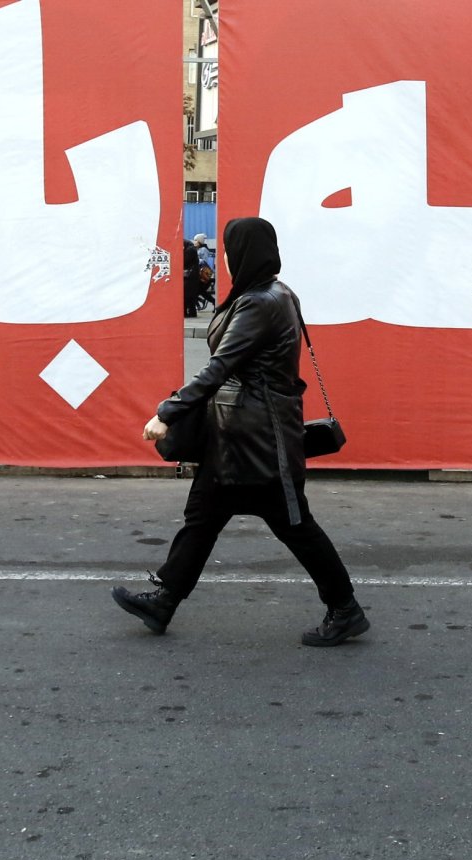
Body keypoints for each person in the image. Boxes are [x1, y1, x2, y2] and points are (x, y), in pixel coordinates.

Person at [113, 217, 368, 648]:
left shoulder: (260, 303)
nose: (226, 258)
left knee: (296, 526)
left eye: (230, 250)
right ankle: (164, 601)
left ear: (245, 253)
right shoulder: (271, 294)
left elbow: (219, 368)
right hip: (237, 439)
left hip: (258, 444)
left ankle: (345, 609)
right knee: (202, 518)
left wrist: (168, 412)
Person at [182, 238, 202, 317]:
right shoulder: (191, 248)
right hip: (193, 276)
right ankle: (192, 313)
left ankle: (186, 313)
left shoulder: (189, 250)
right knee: (191, 296)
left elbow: (185, 261)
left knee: (186, 295)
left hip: (190, 276)